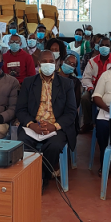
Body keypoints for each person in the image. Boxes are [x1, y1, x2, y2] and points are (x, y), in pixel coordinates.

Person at [17, 51, 77, 189]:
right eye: (45, 61)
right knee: (23, 143)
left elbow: (71, 112)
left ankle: (41, 176)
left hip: (56, 126)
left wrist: (54, 126)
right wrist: (32, 125)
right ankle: (34, 175)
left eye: (51, 61)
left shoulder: (66, 84)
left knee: (54, 146)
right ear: (39, 64)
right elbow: (20, 109)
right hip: (33, 125)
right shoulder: (28, 82)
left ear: (56, 64)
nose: (48, 64)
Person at [81, 37, 111, 132]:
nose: (104, 47)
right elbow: (86, 78)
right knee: (85, 97)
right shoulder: (92, 61)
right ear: (98, 47)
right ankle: (88, 123)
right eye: (102, 45)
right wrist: (91, 89)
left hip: (109, 89)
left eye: (107, 45)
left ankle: (109, 123)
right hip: (94, 88)